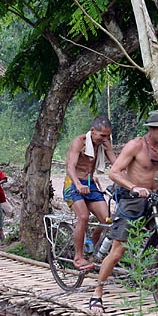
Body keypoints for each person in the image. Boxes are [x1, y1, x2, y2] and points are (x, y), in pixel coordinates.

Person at [89, 110, 158, 313]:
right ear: (151, 129)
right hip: (132, 201)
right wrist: (134, 187)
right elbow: (114, 172)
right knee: (118, 251)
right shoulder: (136, 145)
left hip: (155, 200)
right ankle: (97, 294)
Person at [63, 116, 117, 271]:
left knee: (107, 219)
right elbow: (70, 167)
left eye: (108, 136)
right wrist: (78, 184)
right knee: (83, 216)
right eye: (102, 136)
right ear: (92, 131)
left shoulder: (104, 144)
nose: (105, 139)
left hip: (90, 184)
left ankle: (91, 242)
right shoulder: (79, 142)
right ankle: (78, 257)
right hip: (73, 183)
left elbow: (116, 163)